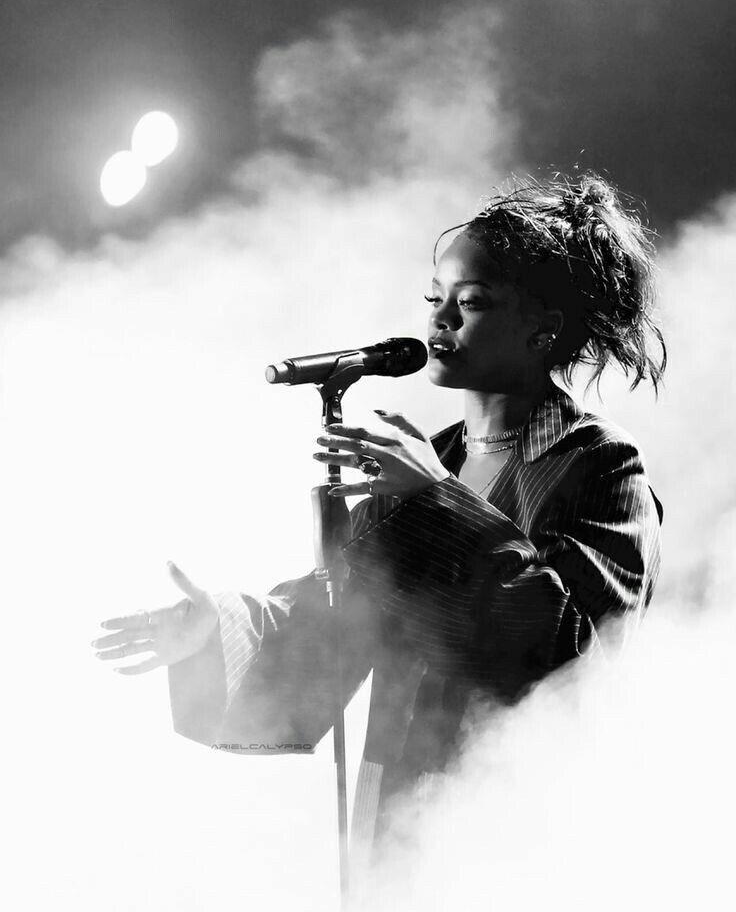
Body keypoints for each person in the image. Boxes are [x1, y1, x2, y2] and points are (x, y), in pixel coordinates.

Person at [92, 173, 666, 861]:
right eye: (437, 296)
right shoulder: (428, 463)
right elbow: (335, 625)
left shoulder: (598, 465)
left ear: (543, 330)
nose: (441, 319)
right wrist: (215, 627)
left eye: (472, 301)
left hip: (517, 841)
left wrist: (438, 502)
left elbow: (578, 663)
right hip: (394, 827)